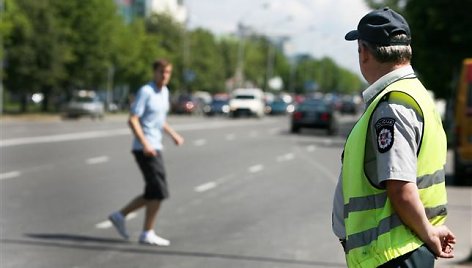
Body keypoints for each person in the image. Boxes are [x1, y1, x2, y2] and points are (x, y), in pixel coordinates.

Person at [331, 7, 456, 267]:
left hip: (390, 255)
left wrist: (428, 233)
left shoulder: (392, 106)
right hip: (401, 249)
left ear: (364, 52)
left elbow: (401, 188)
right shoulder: (416, 94)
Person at [109, 58, 184, 246]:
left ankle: (120, 216)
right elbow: (133, 119)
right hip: (145, 149)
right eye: (162, 72)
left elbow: (159, 120)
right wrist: (145, 144)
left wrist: (173, 135)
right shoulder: (146, 92)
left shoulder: (164, 92)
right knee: (158, 191)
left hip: (155, 146)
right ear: (154, 72)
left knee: (153, 191)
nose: (165, 76)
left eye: (168, 72)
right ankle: (146, 232)